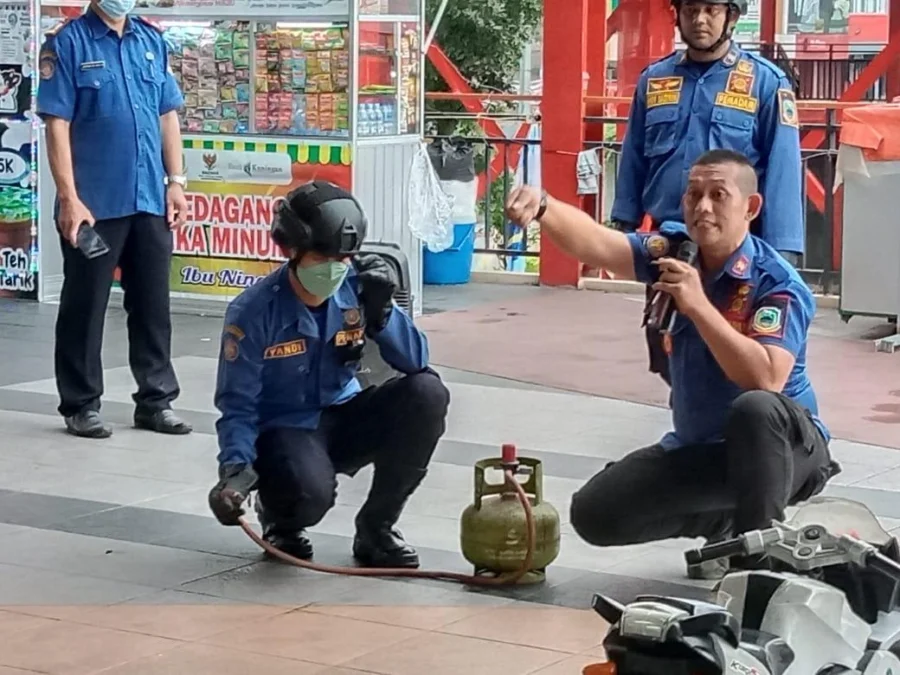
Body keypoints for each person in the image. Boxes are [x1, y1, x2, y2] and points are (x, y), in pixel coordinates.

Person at [505, 149, 840, 580]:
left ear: (750, 208)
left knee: (754, 408)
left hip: (788, 450)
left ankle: (760, 568)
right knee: (597, 512)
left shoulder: (775, 282)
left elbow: (766, 378)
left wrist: (698, 304)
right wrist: (545, 206)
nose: (703, 207)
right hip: (703, 448)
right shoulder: (676, 251)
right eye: (694, 194)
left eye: (719, 195)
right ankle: (728, 528)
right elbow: (600, 245)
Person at [206, 181, 451, 568]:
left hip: (346, 412)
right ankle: (282, 520)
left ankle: (377, 526)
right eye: (323, 258)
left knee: (427, 394)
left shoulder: (360, 287)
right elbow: (238, 404)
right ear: (292, 250)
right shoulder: (254, 312)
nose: (335, 269)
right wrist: (234, 471)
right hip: (288, 430)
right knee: (308, 495)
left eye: (343, 259)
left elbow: (416, 361)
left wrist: (383, 314)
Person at [611, 0, 805, 384]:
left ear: (731, 17)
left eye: (711, 10)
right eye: (690, 10)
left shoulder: (766, 83)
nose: (699, 20)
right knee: (670, 351)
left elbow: (783, 173)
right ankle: (690, 432)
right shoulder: (653, 80)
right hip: (671, 245)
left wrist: (782, 258)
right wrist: (622, 227)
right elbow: (632, 157)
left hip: (733, 256)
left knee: (736, 356)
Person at [36, 0, 191, 438]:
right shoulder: (67, 44)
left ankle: (156, 400)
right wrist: (69, 198)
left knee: (153, 305)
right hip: (94, 204)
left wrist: (175, 181)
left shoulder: (150, 40)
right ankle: (81, 403)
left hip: (148, 199)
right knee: (85, 307)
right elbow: (57, 125)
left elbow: (167, 114)